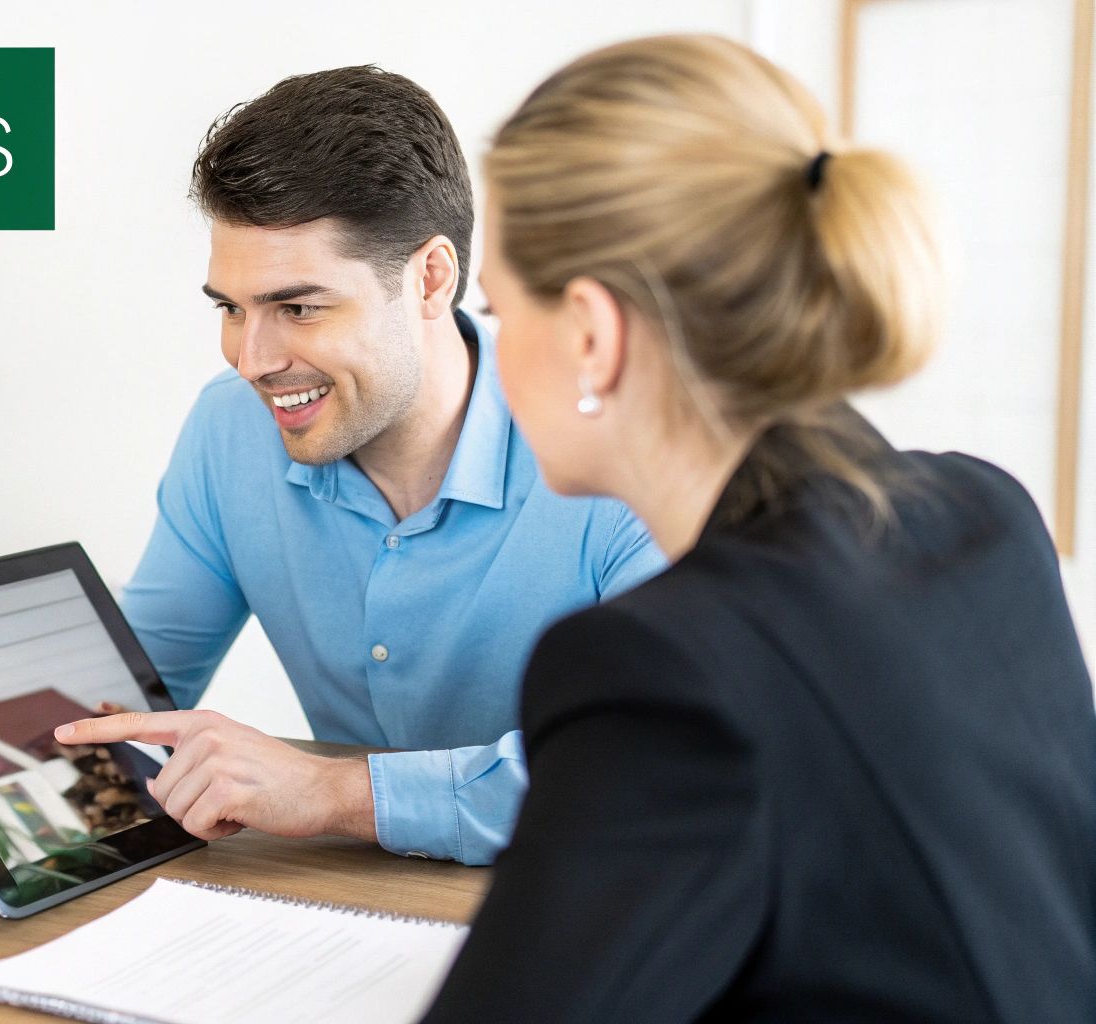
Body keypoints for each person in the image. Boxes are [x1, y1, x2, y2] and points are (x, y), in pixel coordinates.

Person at [420, 34, 1096, 1021]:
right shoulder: (979, 512)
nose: (492, 344)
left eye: (495, 307)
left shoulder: (665, 669)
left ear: (591, 335)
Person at [56, 66, 664, 865]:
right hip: (346, 908)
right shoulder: (230, 430)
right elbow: (135, 697)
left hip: (589, 908)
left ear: (431, 279)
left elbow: (657, 765)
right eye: (231, 309)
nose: (252, 359)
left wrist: (333, 793)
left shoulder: (621, 451)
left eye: (298, 307)